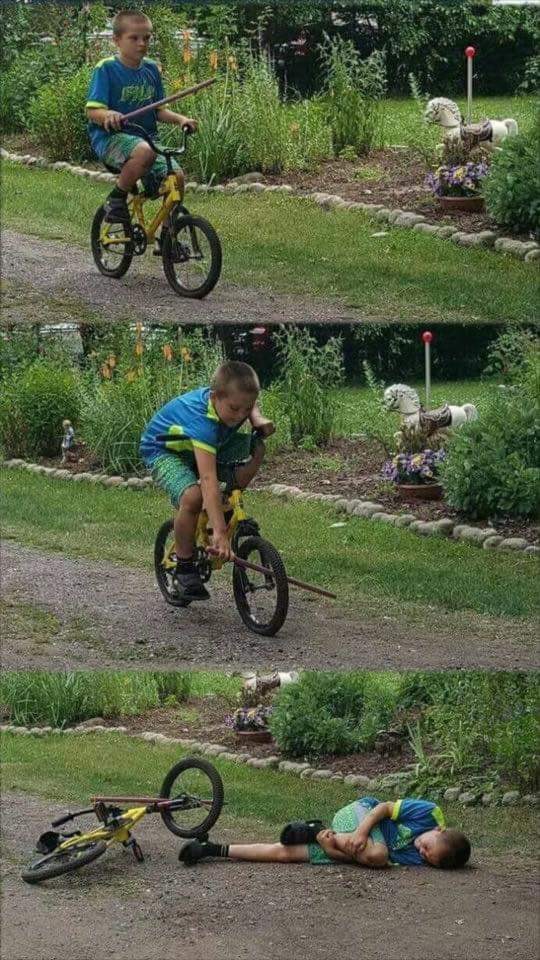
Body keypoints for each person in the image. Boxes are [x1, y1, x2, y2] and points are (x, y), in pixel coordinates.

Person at [140, 360, 274, 601]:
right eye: (235, 409)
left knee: (257, 446)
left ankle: (224, 503)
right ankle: (184, 568)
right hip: (165, 451)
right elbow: (208, 478)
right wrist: (221, 534)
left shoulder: (233, 404)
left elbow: (247, 403)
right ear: (214, 398)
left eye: (247, 409)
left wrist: (257, 418)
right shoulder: (201, 422)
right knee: (194, 496)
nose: (240, 415)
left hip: (208, 443)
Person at [86, 9, 197, 225]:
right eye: (134, 38)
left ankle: (168, 236)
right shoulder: (106, 68)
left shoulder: (151, 70)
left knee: (177, 177)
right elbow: (92, 111)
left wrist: (181, 119)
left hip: (147, 141)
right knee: (144, 152)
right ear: (116, 40)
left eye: (146, 38)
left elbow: (158, 110)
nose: (142, 43)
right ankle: (116, 199)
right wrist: (107, 114)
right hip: (112, 139)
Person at [178, 796, 471, 870]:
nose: (421, 853)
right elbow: (382, 808)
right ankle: (316, 829)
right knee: (379, 852)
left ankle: (211, 848)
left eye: (426, 858)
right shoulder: (430, 812)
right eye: (427, 848)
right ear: (439, 830)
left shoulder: (422, 859)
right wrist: (360, 832)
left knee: (285, 854)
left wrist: (334, 852)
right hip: (360, 816)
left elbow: (370, 862)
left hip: (350, 847)